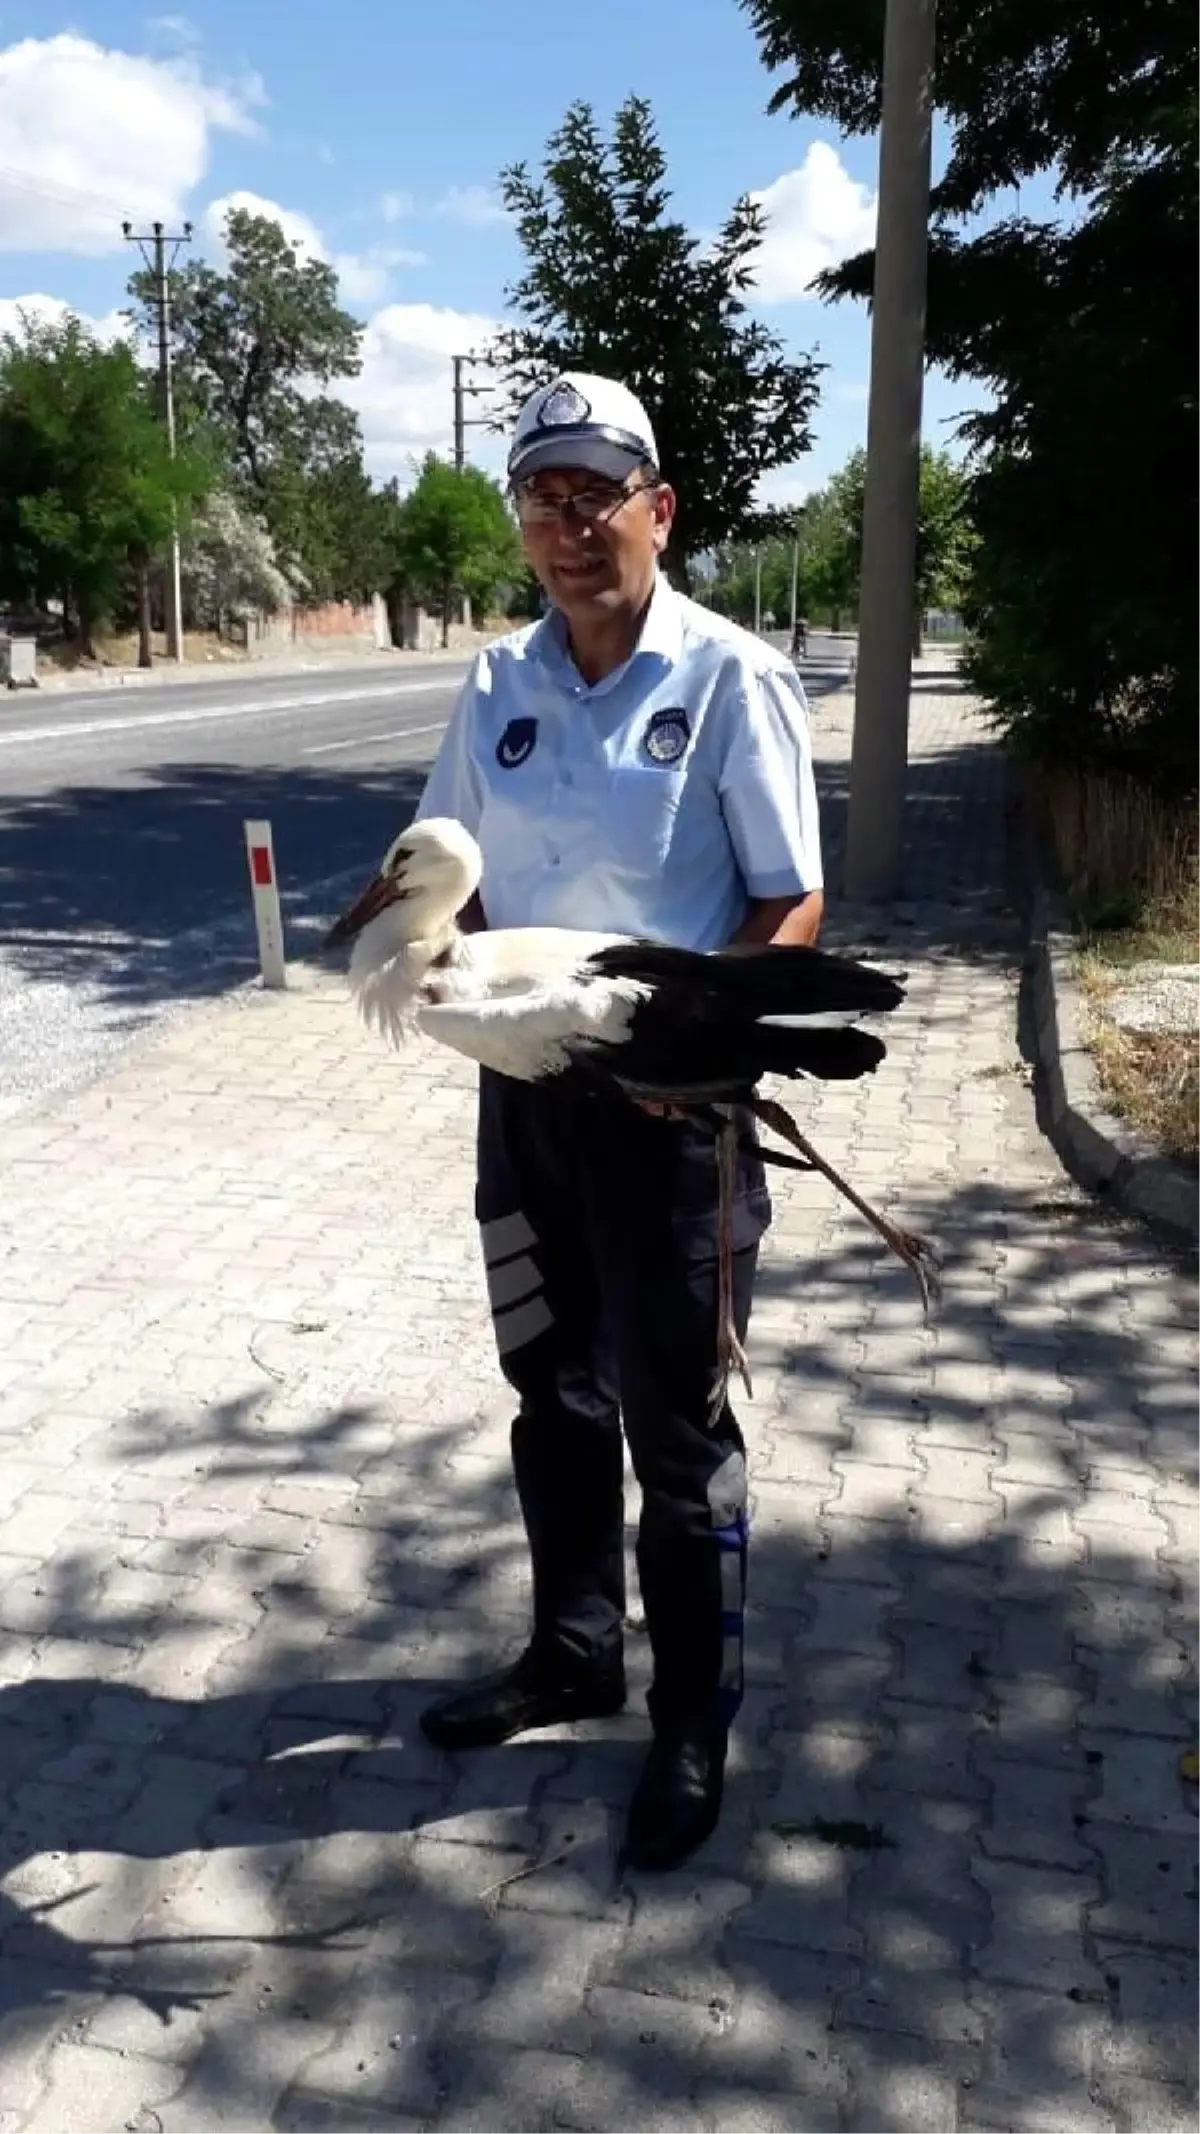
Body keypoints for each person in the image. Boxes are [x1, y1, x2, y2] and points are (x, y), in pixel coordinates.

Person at [414, 372, 824, 1870]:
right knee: (554, 1396)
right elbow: (452, 870)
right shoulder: (493, 686)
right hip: (524, 1102)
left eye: (599, 493)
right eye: (543, 497)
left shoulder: (729, 678)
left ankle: (695, 1717)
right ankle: (574, 1651)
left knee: (678, 1424)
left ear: (660, 509)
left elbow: (789, 899)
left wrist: (701, 1052)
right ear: (520, 523)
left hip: (670, 1115)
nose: (571, 525)